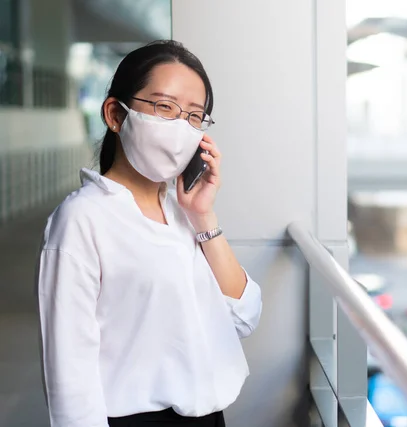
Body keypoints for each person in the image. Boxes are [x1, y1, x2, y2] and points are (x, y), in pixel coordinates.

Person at [36, 40, 262, 427]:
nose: (179, 126)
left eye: (194, 116)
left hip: (210, 417)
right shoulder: (81, 219)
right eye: (164, 107)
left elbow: (243, 316)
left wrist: (203, 216)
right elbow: (69, 373)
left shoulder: (182, 211)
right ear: (115, 114)